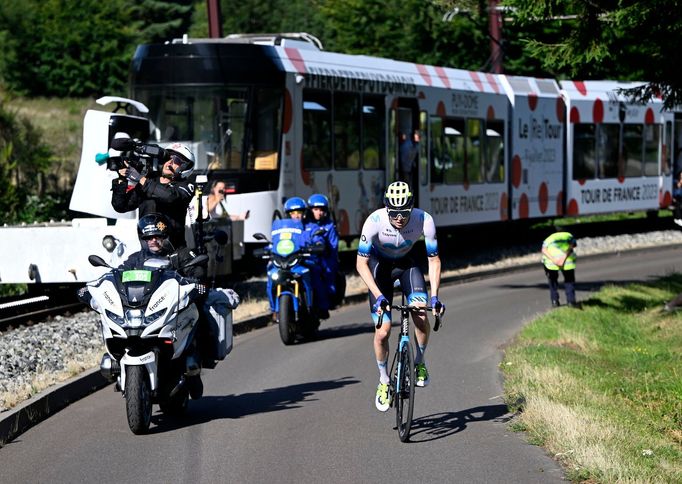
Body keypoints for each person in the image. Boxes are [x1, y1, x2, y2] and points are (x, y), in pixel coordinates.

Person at [120, 213, 239, 398]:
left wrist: (195, 281)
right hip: (145, 308)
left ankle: (196, 364)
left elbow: (198, 270)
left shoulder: (181, 254)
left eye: (157, 236)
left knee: (199, 313)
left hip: (173, 309)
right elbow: (120, 274)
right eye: (149, 237)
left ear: (165, 236)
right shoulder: (135, 260)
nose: (153, 241)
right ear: (142, 238)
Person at [356, 181, 445, 412]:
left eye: (403, 213)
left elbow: (433, 260)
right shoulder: (374, 221)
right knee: (383, 331)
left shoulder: (424, 220)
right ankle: (384, 380)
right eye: (393, 213)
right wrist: (378, 295)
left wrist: (434, 297)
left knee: (420, 312)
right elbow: (360, 264)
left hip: (407, 265)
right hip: (380, 268)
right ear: (386, 208)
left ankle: (420, 361)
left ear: (411, 208)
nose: (398, 218)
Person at [111, 142, 196, 249]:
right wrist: (121, 179)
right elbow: (121, 206)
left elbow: (170, 197)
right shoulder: (149, 180)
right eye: (168, 158)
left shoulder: (186, 184)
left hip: (174, 252)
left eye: (176, 160)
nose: (169, 162)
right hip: (147, 252)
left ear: (185, 166)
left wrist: (140, 178)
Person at [305, 194, 340, 308]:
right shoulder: (304, 223)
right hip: (305, 257)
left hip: (324, 257)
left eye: (321, 210)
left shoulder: (329, 225)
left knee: (328, 274)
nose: (318, 213)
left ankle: (324, 305)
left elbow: (333, 247)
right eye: (315, 209)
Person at [541, 228, 578, 308]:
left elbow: (543, 250)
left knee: (552, 281)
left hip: (552, 263)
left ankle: (555, 301)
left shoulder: (549, 238)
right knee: (569, 280)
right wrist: (563, 258)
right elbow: (572, 246)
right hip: (567, 262)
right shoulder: (569, 235)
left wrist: (554, 260)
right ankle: (571, 301)